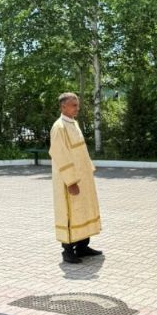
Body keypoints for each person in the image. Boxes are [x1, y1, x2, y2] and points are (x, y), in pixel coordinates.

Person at [49, 92, 102, 264]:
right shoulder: (59, 127)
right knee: (70, 212)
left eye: (77, 105)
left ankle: (82, 246)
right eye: (74, 105)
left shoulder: (74, 123)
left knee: (83, 210)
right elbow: (60, 155)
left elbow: (82, 150)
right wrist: (71, 181)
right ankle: (67, 250)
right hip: (69, 181)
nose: (77, 108)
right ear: (63, 106)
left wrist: (88, 169)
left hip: (83, 178)